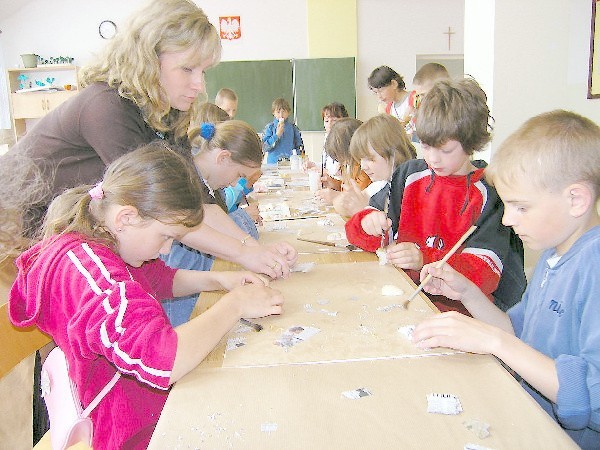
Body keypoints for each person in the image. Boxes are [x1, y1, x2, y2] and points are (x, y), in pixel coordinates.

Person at [7, 0, 296, 294]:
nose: (199, 85)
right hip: (19, 234)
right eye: (187, 69)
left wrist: (252, 249)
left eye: (203, 71)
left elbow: (196, 202)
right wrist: (243, 253)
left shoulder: (166, 115)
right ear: (147, 59)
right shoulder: (108, 107)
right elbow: (166, 209)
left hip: (67, 236)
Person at [8, 143, 284, 450]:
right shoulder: (94, 276)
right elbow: (163, 361)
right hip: (130, 430)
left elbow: (158, 279)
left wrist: (218, 278)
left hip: (144, 406)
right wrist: (235, 304)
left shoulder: (106, 238)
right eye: (165, 236)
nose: (167, 249)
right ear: (126, 218)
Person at [412, 110, 600, 449]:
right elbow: (518, 331)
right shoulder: (554, 255)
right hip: (528, 416)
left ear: (576, 199)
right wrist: (467, 293)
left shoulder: (594, 267)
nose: (509, 220)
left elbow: (591, 395)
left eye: (521, 207)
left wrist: (496, 344)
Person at [345, 78, 526, 314]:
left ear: (471, 142)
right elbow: (358, 233)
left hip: (459, 315)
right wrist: (368, 222)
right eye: (427, 147)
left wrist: (424, 258)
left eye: (446, 150)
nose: (433, 159)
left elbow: (485, 273)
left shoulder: (488, 193)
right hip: (403, 297)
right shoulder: (409, 175)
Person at [162, 119, 264, 325]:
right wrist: (249, 250)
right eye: (239, 175)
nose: (236, 183)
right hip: (181, 305)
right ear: (223, 157)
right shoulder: (185, 181)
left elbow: (215, 215)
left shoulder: (206, 185)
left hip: (192, 288)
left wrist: (258, 251)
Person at [333, 114, 416, 218]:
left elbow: (394, 232)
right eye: (361, 159)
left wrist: (364, 211)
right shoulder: (382, 185)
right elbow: (344, 206)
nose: (363, 166)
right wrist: (343, 201)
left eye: (370, 158)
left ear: (394, 153)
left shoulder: (412, 191)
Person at [315, 117, 369, 206]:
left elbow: (358, 199)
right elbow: (348, 187)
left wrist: (337, 196)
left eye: (344, 159)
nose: (342, 163)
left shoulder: (364, 169)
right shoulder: (350, 164)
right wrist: (335, 184)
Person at [405, 63, 450, 142]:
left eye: (424, 94)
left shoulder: (456, 116)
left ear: (442, 89)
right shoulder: (426, 113)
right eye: (419, 95)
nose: (422, 99)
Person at [262, 98, 303, 164]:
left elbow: (299, 146)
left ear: (288, 112)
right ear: (273, 113)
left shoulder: (293, 128)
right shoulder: (270, 127)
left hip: (289, 163)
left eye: (284, 111)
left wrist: (300, 160)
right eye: (278, 112)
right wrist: (277, 135)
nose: (281, 115)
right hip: (273, 164)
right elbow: (264, 147)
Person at [319, 102, 349, 190]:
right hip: (333, 185)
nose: (330, 125)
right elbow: (327, 165)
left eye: (335, 120)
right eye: (326, 121)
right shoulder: (327, 138)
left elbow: (335, 172)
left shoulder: (346, 142)